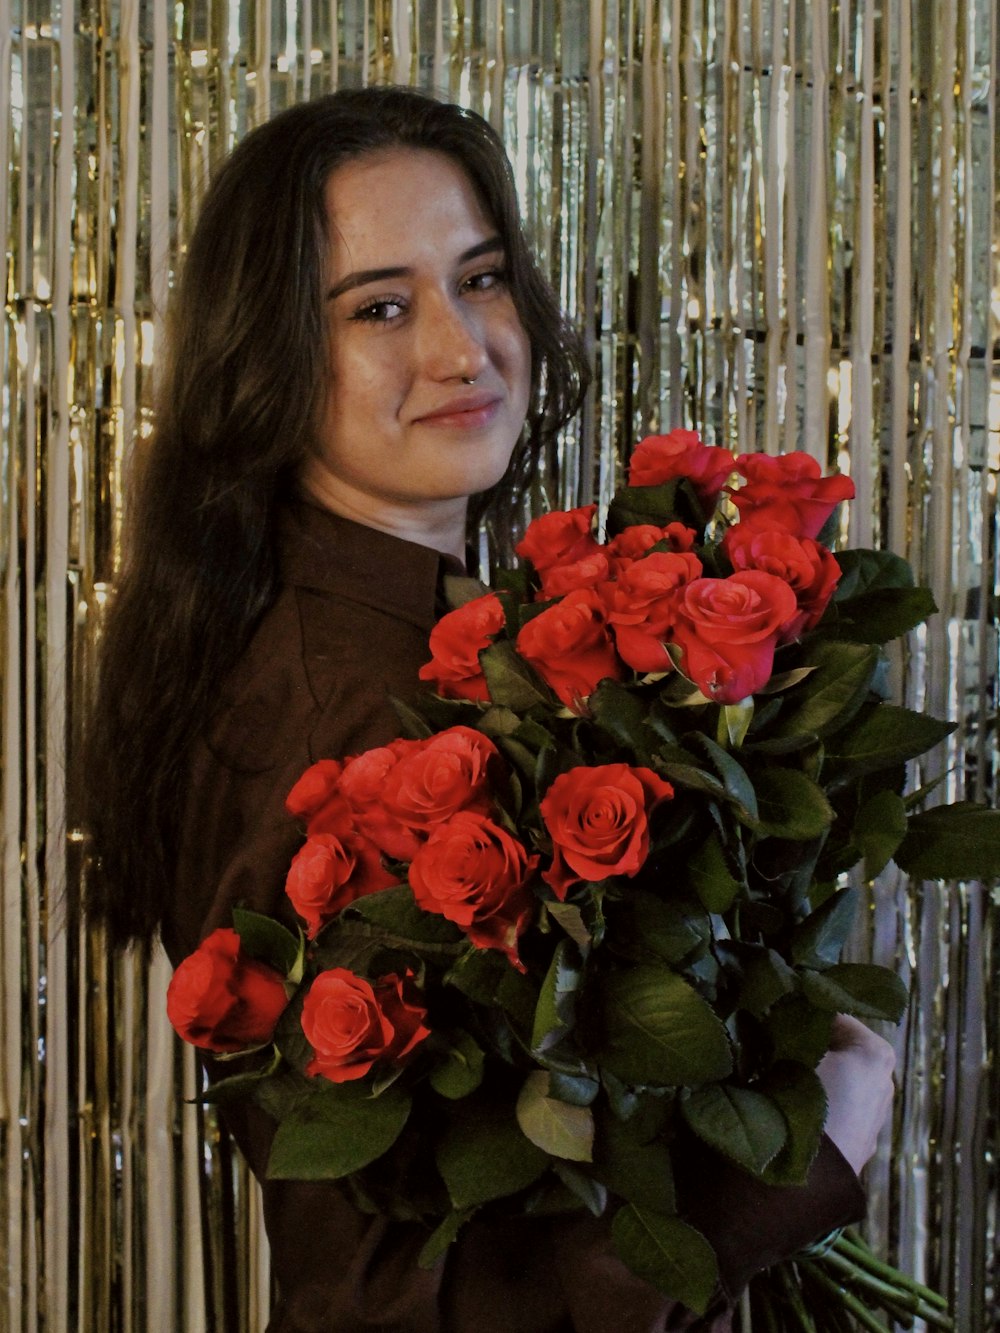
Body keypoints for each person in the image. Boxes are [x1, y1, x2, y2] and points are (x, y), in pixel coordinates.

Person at [84, 86, 895, 1332]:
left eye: (483, 279)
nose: (464, 349)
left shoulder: (413, 627)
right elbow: (387, 1306)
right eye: (381, 307)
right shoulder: (346, 713)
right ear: (265, 358)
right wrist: (803, 1158)